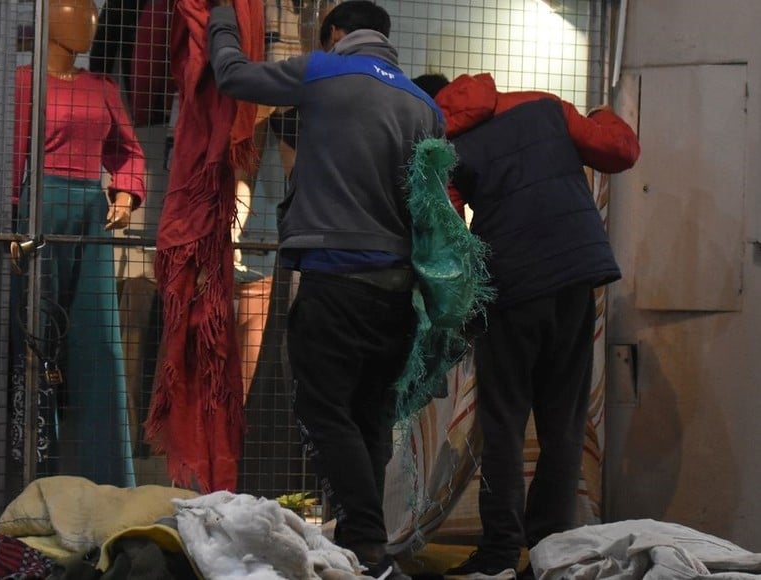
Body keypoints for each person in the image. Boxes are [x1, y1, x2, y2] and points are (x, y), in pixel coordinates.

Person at [207, 2, 445, 578]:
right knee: (368, 415)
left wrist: (220, 19)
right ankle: (369, 543)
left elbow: (233, 76)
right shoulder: (424, 106)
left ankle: (367, 544)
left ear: (336, 34)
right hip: (396, 289)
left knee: (324, 408)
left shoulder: (321, 70)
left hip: (335, 277)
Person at [412, 72, 640, 579]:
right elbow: (619, 151)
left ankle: (497, 556)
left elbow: (447, 237)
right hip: (575, 277)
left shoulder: (439, 144)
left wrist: (455, 309)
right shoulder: (543, 104)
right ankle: (551, 551)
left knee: (504, 423)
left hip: (512, 286)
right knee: (563, 425)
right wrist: (601, 114)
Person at [11, 0, 145, 487]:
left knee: (100, 345)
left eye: (92, 11)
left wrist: (126, 191)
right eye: (74, 8)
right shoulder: (23, 82)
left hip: (92, 214)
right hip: (36, 209)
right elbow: (10, 150)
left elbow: (129, 151)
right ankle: (28, 473)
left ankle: (108, 480)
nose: (88, 20)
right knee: (32, 341)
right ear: (48, 17)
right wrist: (12, 221)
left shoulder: (102, 88)